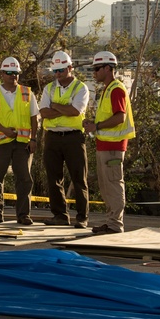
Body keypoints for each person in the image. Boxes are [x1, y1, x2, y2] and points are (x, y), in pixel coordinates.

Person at [82, 51, 135, 234]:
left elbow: (120, 117)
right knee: (107, 187)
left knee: (113, 185)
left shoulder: (116, 89)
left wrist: (96, 126)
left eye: (97, 68)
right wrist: (94, 126)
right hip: (105, 145)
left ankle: (115, 225)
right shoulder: (107, 89)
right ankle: (111, 222)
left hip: (113, 147)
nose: (94, 72)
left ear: (107, 68)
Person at [0, 57, 39, 225]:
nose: (12, 76)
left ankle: (23, 215)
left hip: (23, 143)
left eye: (15, 73)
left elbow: (34, 118)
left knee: (24, 178)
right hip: (0, 143)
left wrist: (34, 139)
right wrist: (4, 130)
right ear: (2, 74)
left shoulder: (27, 93)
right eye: (9, 73)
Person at [39, 51, 90, 228]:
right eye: (55, 70)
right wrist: (63, 108)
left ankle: (82, 217)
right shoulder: (49, 88)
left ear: (70, 68)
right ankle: (60, 215)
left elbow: (75, 111)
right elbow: (43, 112)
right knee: (53, 178)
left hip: (73, 137)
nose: (58, 74)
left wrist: (54, 106)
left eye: (61, 70)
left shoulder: (81, 88)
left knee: (79, 178)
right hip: (52, 137)